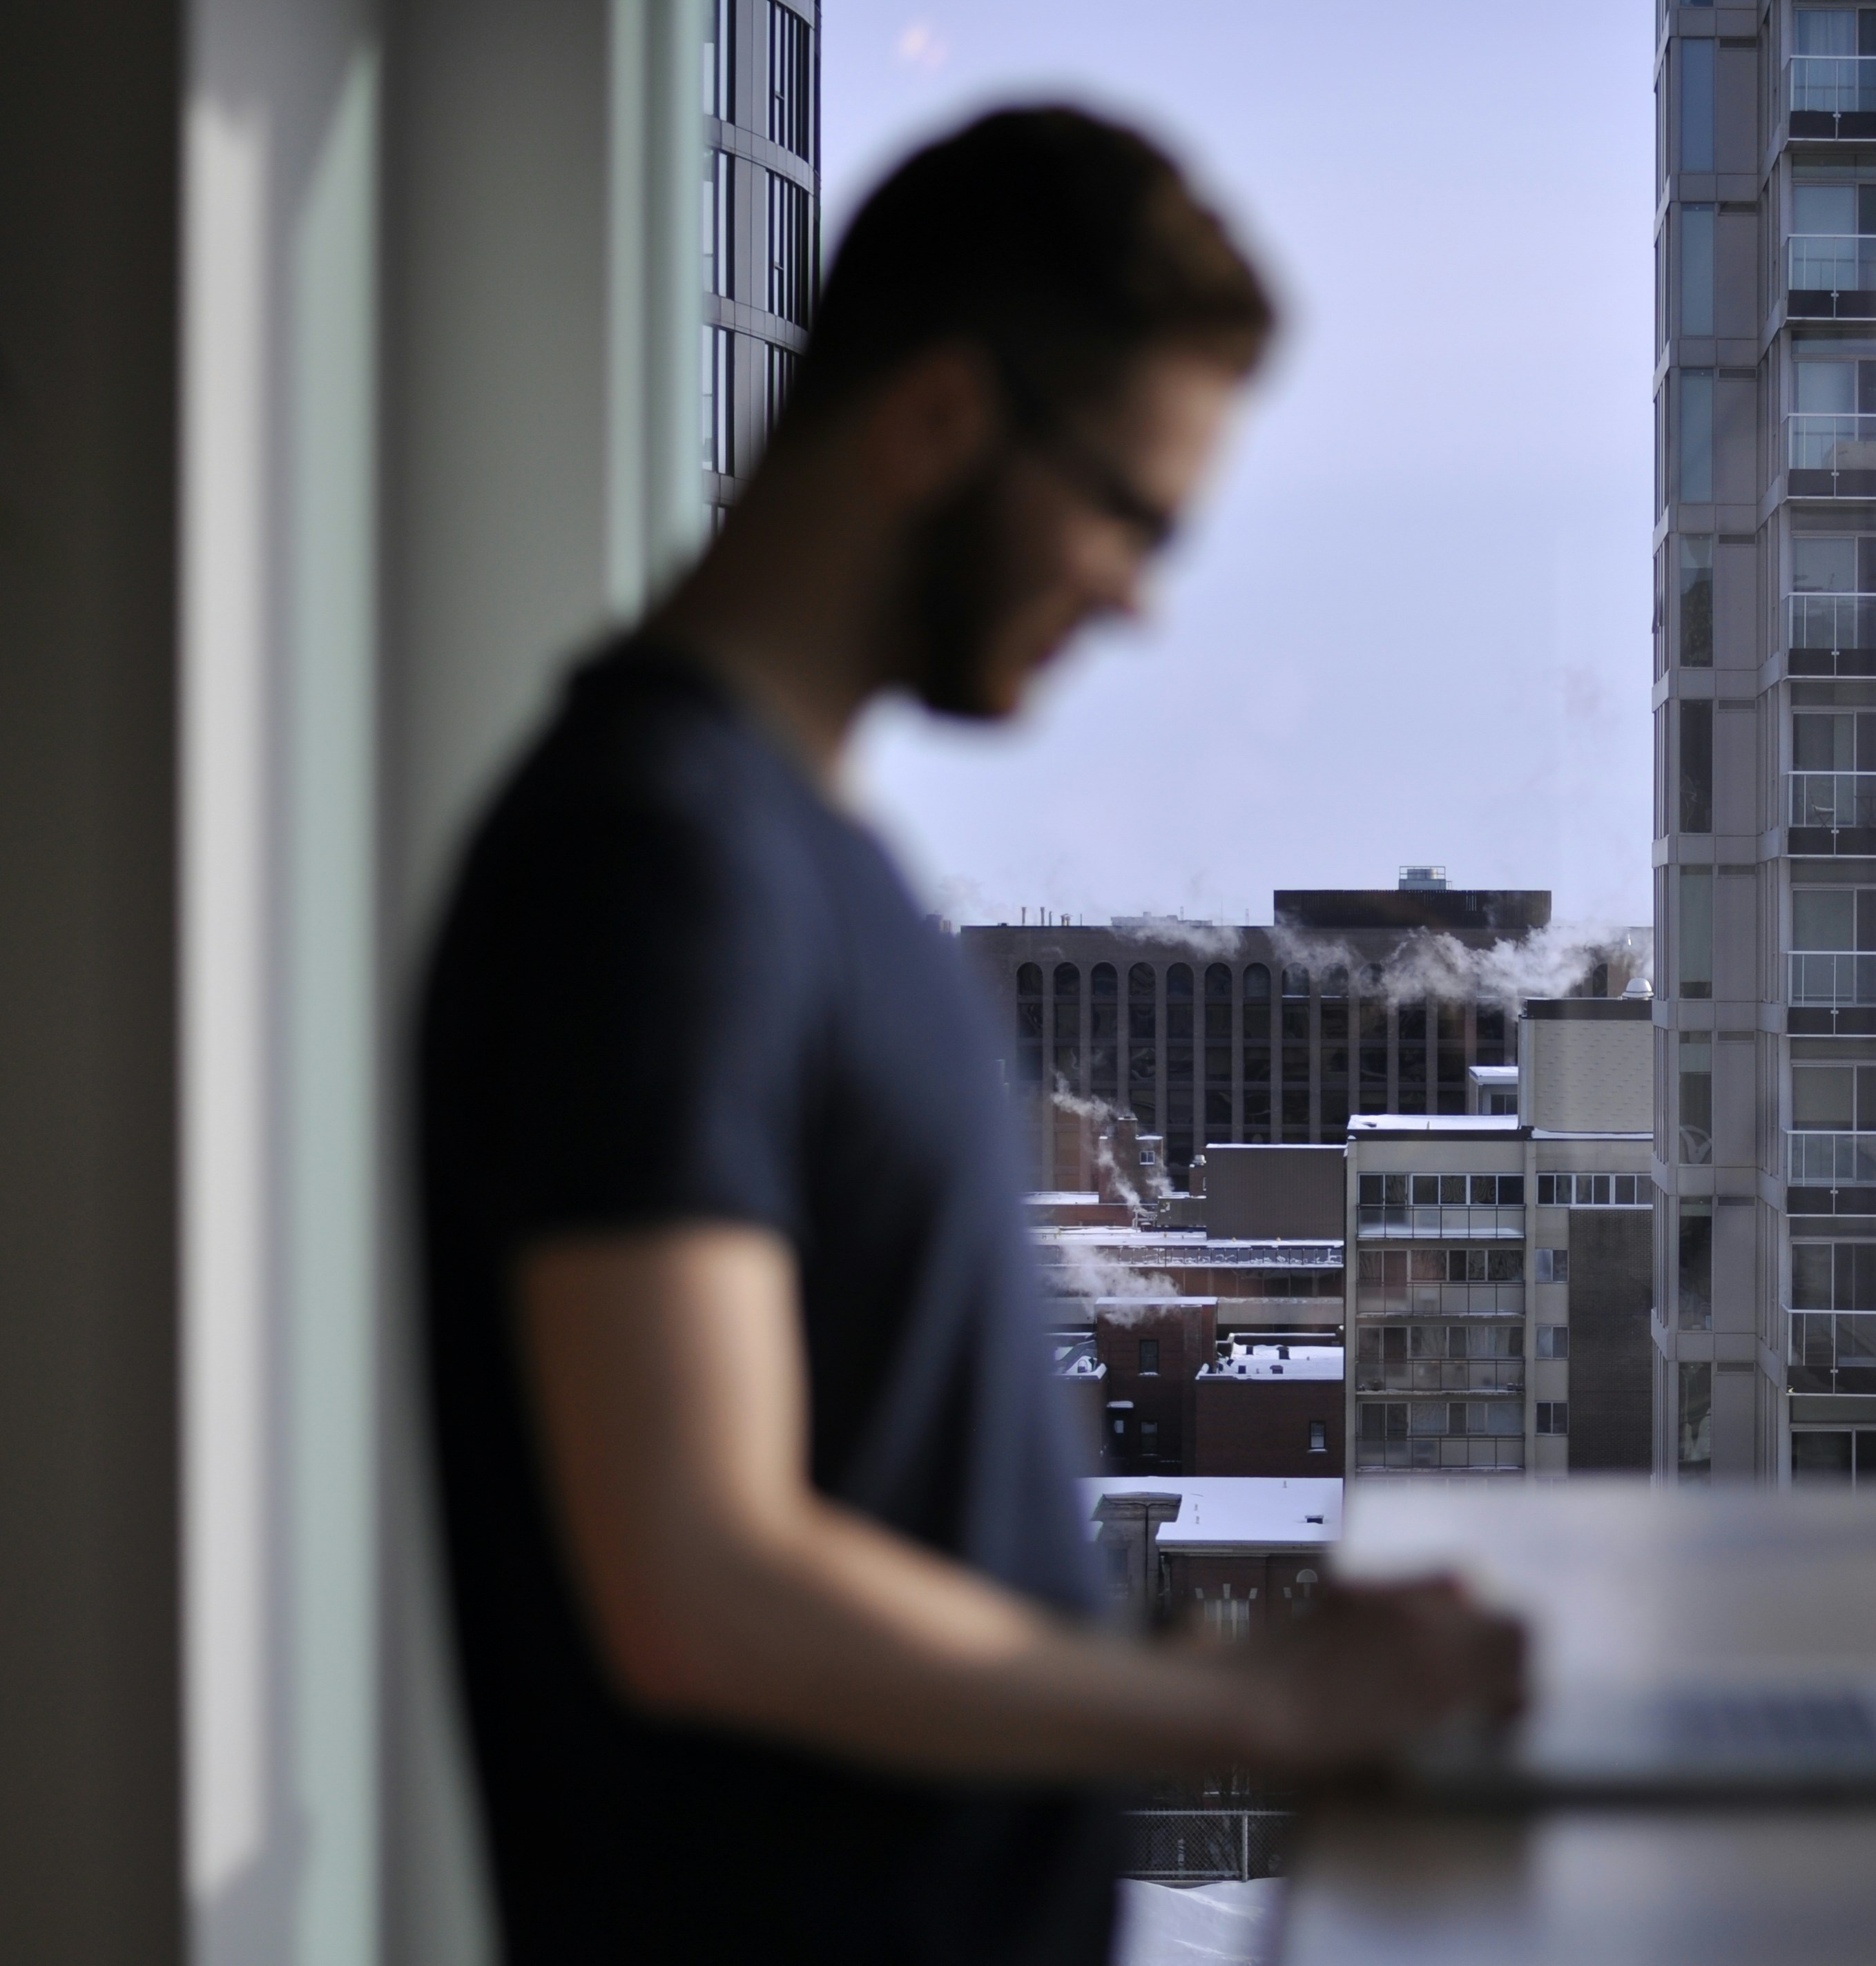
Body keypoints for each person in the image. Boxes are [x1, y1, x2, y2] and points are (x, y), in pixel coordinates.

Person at [418, 107, 1522, 1965]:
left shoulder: (808, 865)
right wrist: (1256, 1710)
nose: (1139, 598)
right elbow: (702, 1582)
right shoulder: (650, 865)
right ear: (937, 420)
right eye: (1126, 512)